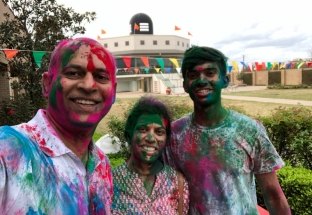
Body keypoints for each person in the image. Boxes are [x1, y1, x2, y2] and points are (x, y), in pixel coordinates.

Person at [164, 46, 291, 214]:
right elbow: (169, 194)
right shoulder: (174, 134)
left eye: (210, 73)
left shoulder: (250, 130)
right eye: (193, 75)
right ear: (185, 85)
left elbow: (273, 194)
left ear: (225, 80)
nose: (201, 80)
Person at [0, 37, 117, 214]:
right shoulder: (7, 151)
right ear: (47, 85)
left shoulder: (102, 164)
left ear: (114, 92)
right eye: (73, 73)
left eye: (101, 77)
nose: (88, 85)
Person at [112, 96, 189, 215]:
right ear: (129, 134)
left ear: (167, 139)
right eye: (143, 130)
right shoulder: (110, 182)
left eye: (159, 132)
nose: (150, 138)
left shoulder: (177, 183)